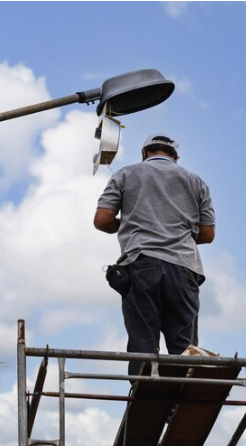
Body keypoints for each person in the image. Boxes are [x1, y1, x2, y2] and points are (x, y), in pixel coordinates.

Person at [94, 133, 216, 376]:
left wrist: (132, 224)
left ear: (144, 152)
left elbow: (102, 219)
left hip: (141, 265)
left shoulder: (126, 174)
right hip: (184, 269)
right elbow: (208, 234)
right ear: (176, 157)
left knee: (143, 344)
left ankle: (145, 402)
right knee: (184, 349)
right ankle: (177, 405)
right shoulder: (197, 182)